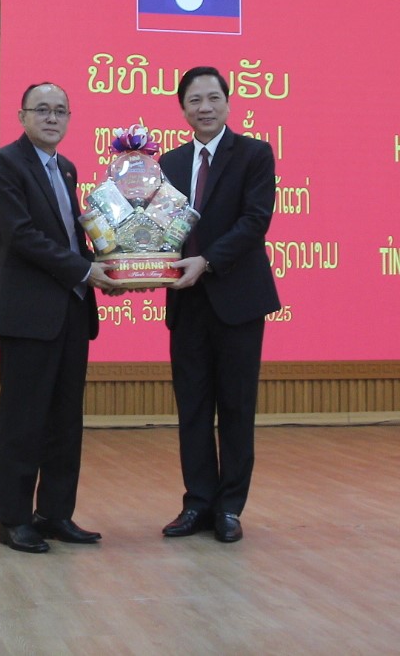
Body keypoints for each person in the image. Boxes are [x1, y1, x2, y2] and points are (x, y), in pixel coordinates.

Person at [0, 82, 119, 553]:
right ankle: (14, 519)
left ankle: (55, 513)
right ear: (22, 116)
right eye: (42, 110)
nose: (52, 118)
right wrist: (84, 270)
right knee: (23, 421)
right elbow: (20, 235)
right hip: (27, 315)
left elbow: (70, 238)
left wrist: (114, 264)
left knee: (65, 420)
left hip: (72, 311)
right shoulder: (5, 163)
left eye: (60, 111)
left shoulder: (66, 168)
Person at [158, 66, 281, 544]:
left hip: (238, 300)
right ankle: (197, 503)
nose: (205, 107)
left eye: (213, 98)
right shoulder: (168, 163)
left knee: (235, 406)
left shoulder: (254, 154)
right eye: (195, 100)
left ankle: (229, 507)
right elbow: (158, 229)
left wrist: (206, 262)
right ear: (183, 109)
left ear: (228, 103)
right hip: (186, 302)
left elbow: (255, 221)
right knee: (192, 407)